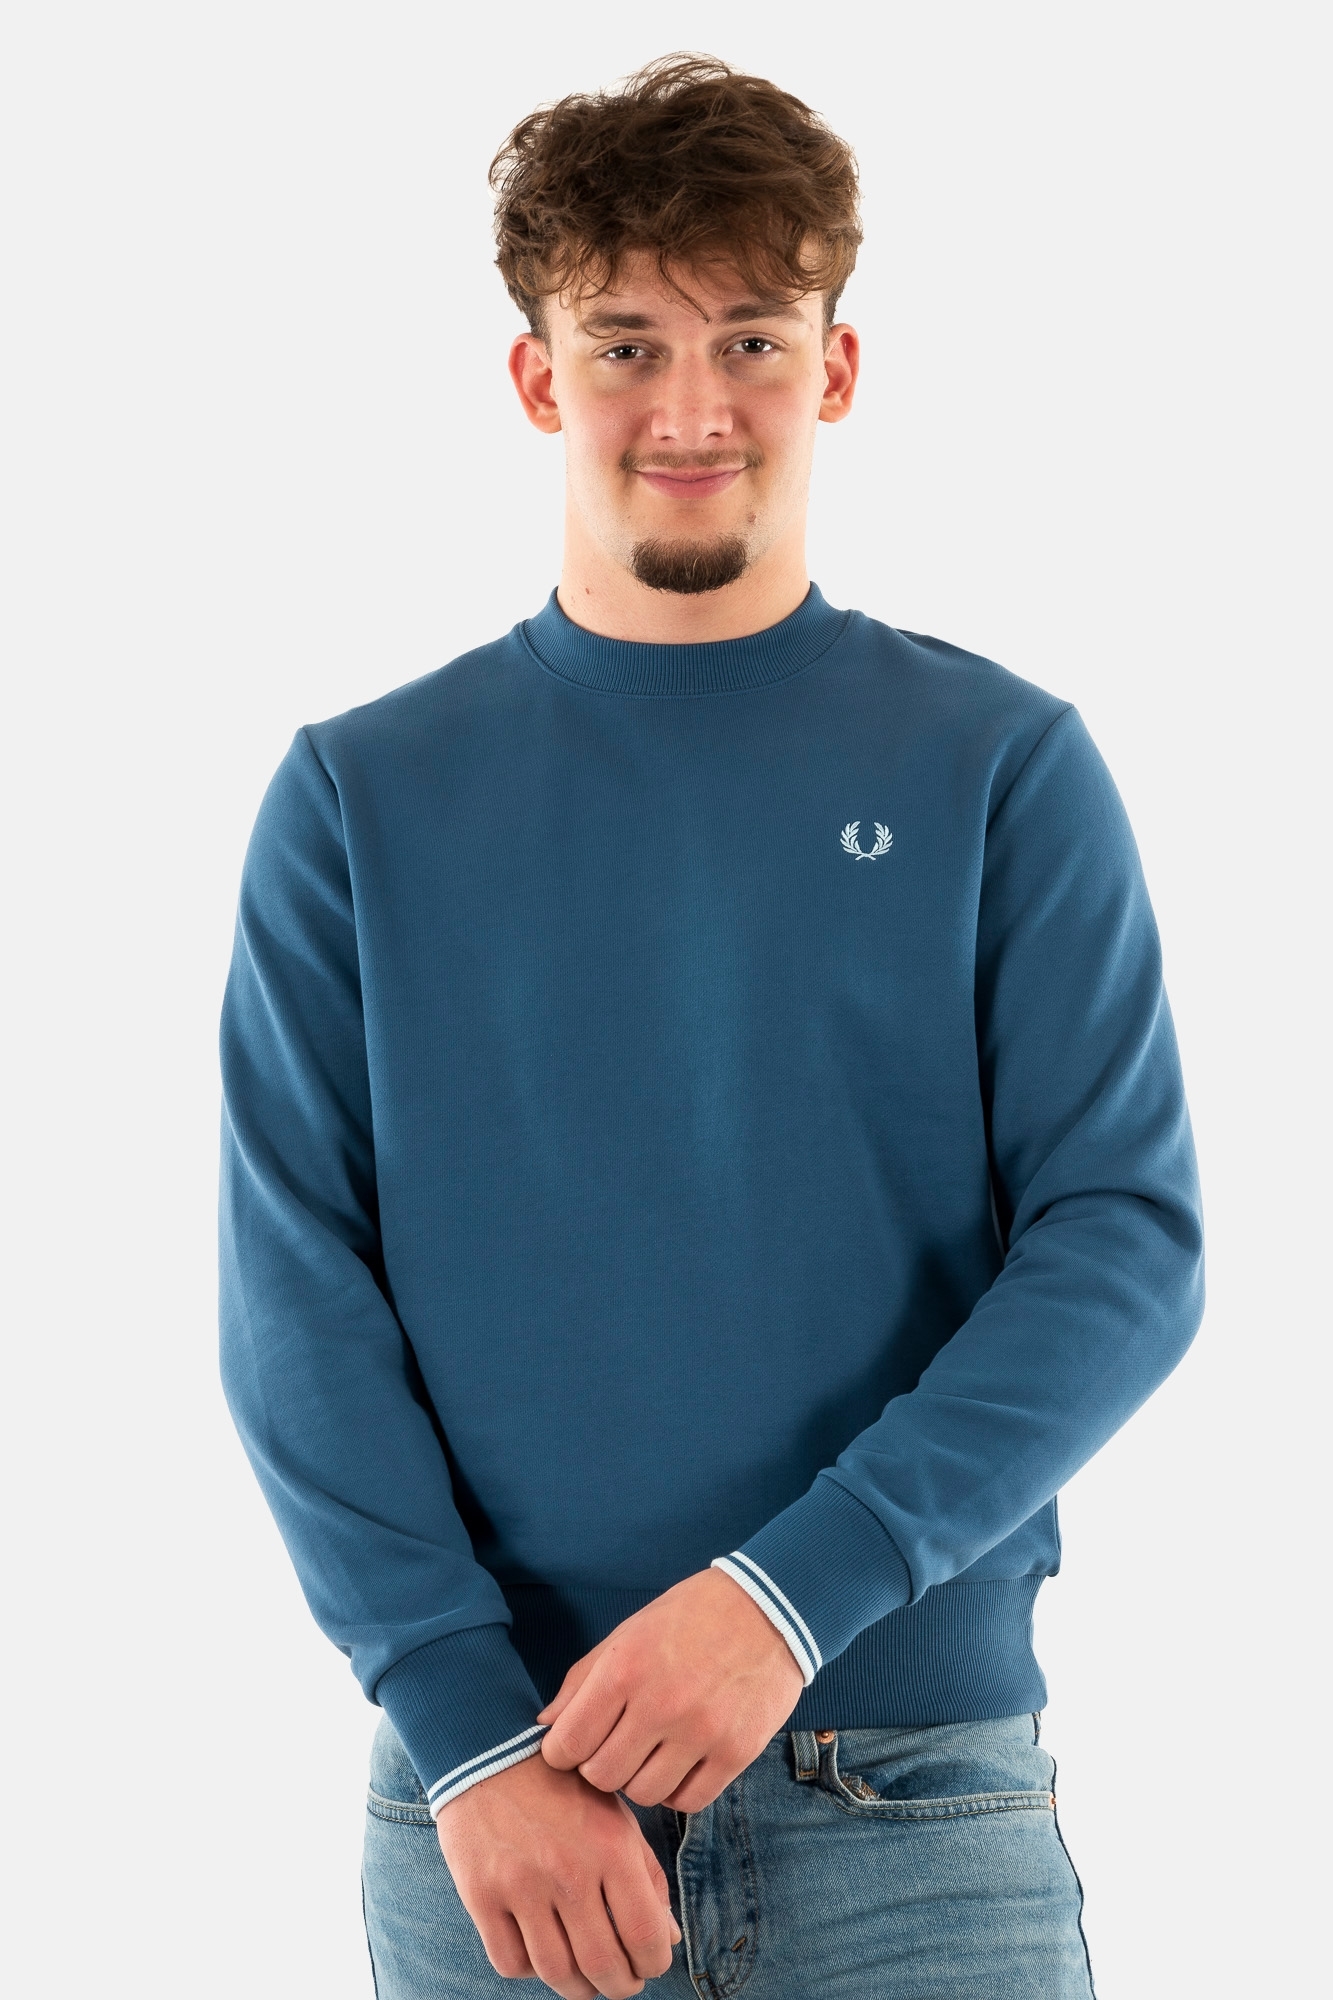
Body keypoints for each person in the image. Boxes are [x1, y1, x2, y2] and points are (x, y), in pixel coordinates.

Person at [219, 54, 1203, 2000]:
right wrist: (466, 1724)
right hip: (505, 1804)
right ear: (538, 377)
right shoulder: (358, 796)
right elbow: (295, 1298)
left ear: (836, 367)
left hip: (910, 1793)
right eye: (626, 344)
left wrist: (782, 1599)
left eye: (751, 336)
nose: (689, 409)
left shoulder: (998, 765)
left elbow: (1122, 1244)